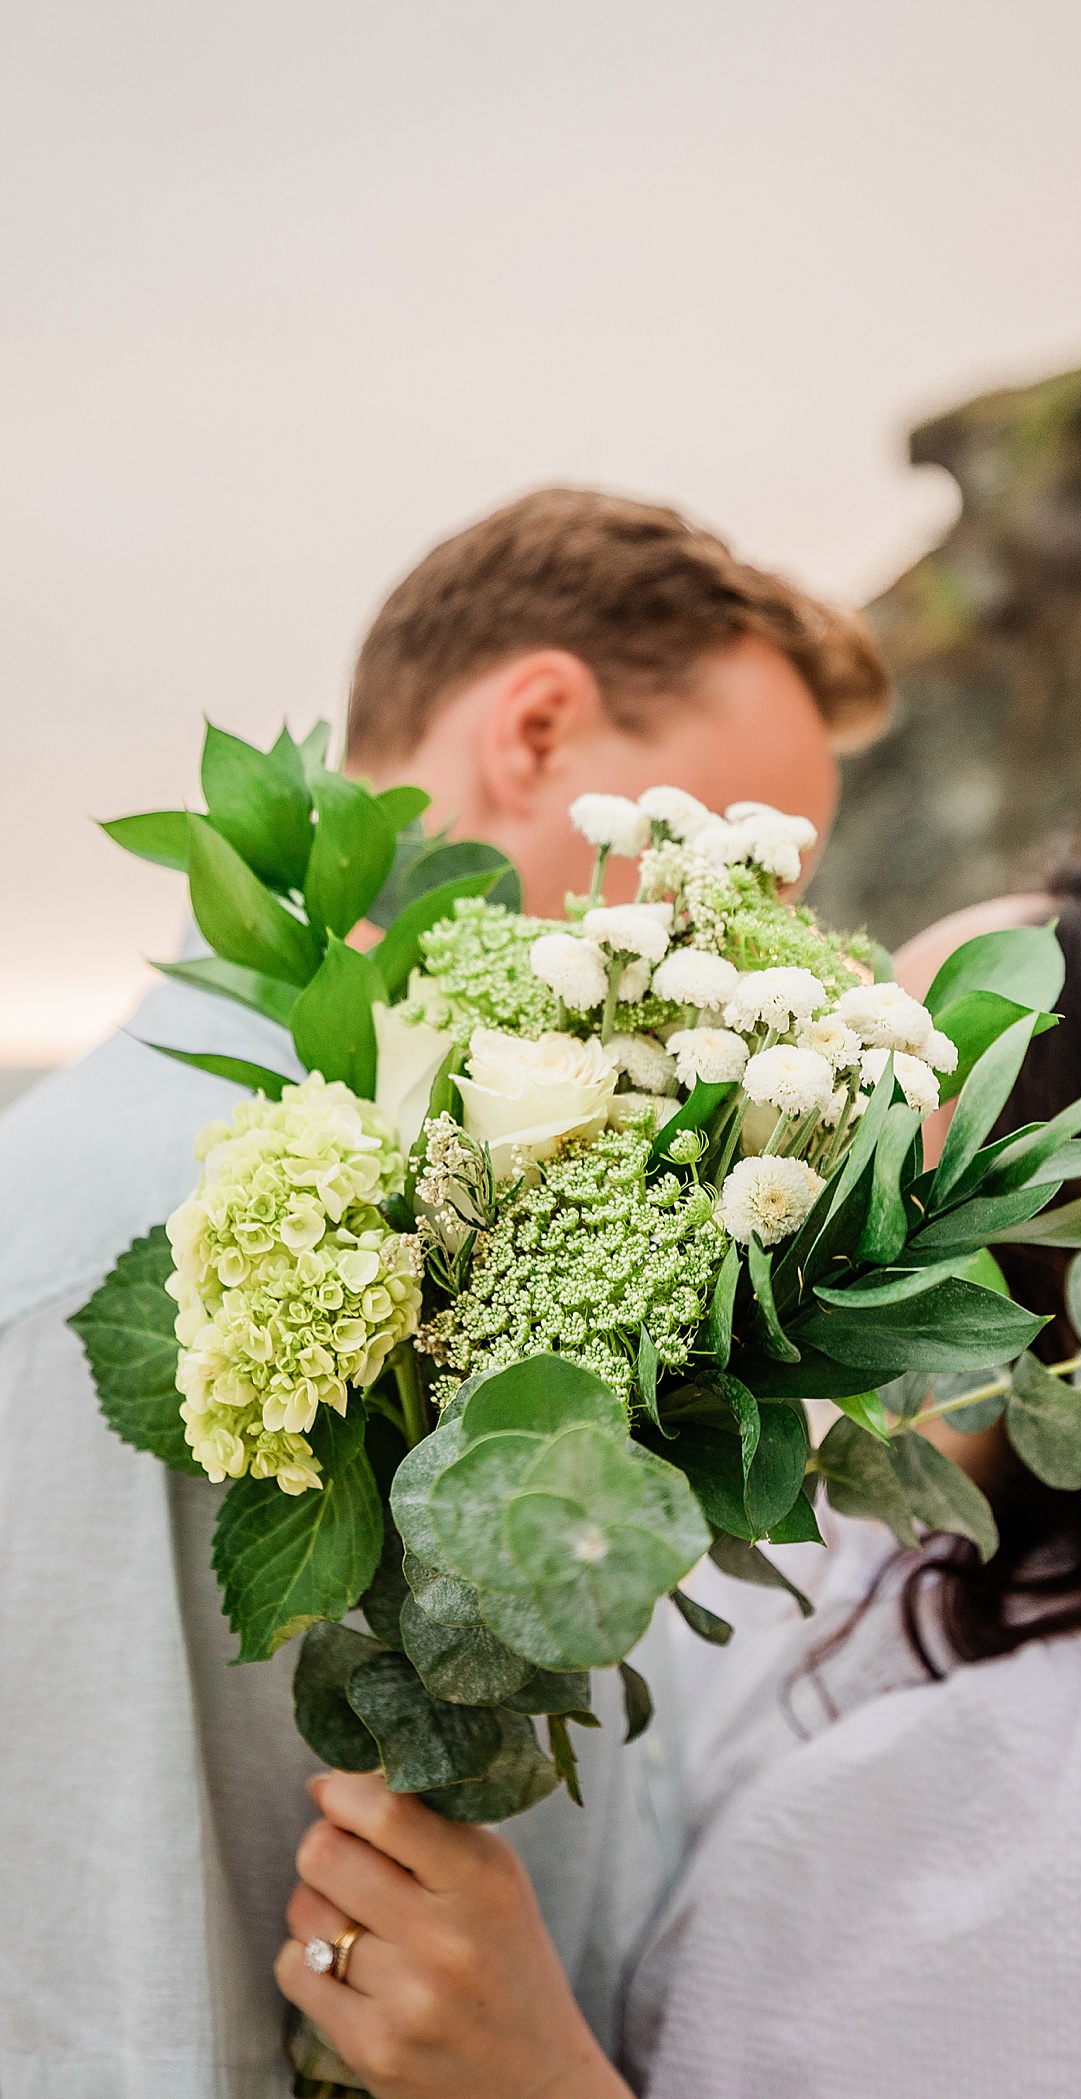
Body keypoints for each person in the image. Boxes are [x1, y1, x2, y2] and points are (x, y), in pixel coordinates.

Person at [0, 487, 888, 2098]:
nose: (757, 951)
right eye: (726, 867)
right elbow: (79, 1983)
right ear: (539, 731)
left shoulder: (551, 1234)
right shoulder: (69, 1275)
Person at [276, 861, 1081, 2097]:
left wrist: (534, 2077)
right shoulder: (855, 1544)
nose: (805, 1075)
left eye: (894, 1067)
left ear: (1073, 1235)